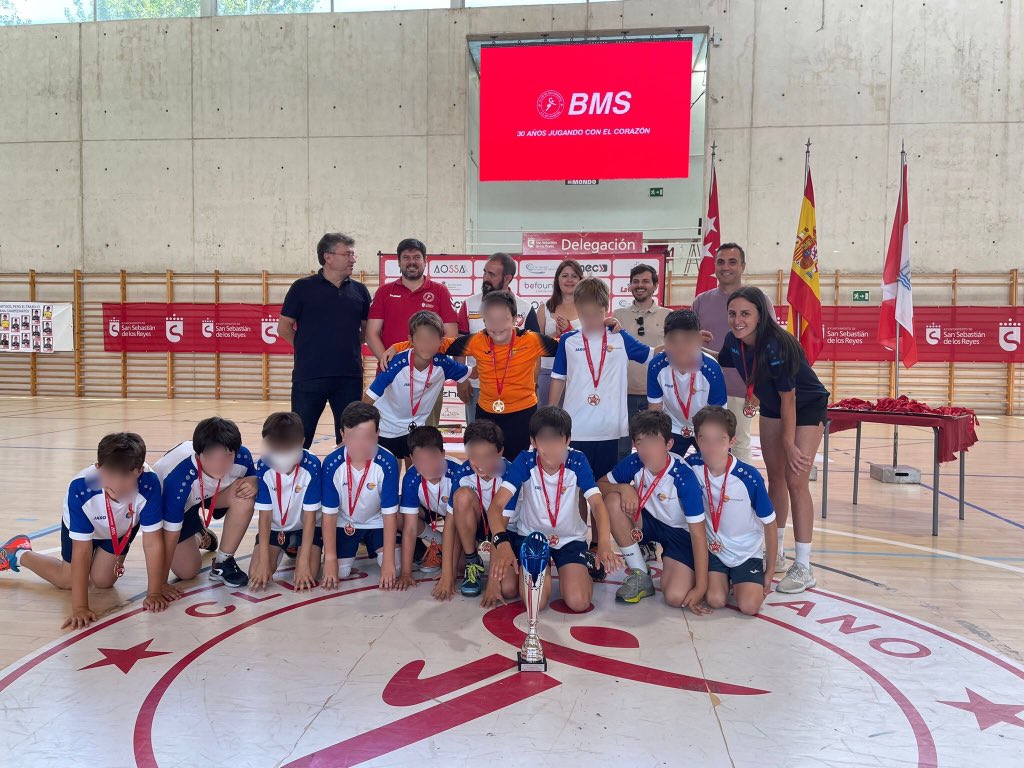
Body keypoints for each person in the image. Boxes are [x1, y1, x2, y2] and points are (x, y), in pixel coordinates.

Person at [716, 286, 829, 593]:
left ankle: (804, 566)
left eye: (745, 313)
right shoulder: (733, 340)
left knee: (795, 479)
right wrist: (694, 345)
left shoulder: (777, 344)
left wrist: (789, 444)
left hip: (805, 405)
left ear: (760, 315)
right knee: (775, 478)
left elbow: (789, 398)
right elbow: (724, 360)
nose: (738, 320)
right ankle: (776, 552)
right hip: (771, 405)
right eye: (732, 314)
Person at [0, 433, 176, 629]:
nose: (117, 483)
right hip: (85, 531)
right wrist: (80, 607)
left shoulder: (150, 483)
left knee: (103, 581)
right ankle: (18, 552)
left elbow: (152, 543)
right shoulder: (80, 488)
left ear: (139, 471)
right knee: (68, 581)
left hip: (119, 530)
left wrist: (154, 593)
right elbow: (82, 551)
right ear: (98, 468)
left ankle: (97, 561)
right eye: (110, 475)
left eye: (126, 476)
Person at [480, 406, 623, 612]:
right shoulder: (525, 461)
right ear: (533, 441)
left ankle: (582, 568)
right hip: (533, 538)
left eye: (557, 439)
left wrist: (604, 544)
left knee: (579, 602)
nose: (551, 447)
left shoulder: (578, 460)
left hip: (569, 539)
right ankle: (534, 568)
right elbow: (496, 506)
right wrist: (501, 542)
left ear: (568, 440)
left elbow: (598, 504)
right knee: (535, 603)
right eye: (544, 439)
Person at [598, 411, 709, 610]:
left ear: (669, 444)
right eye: (641, 443)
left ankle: (685, 567)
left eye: (654, 442)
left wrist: (701, 588)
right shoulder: (635, 462)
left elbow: (699, 535)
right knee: (613, 501)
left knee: (675, 597)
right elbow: (600, 485)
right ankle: (640, 574)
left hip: (680, 534)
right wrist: (623, 488)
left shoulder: (684, 478)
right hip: (649, 521)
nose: (647, 450)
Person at [549, 278, 652, 483]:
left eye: (596, 314)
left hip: (609, 428)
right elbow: (558, 378)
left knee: (605, 486)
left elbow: (652, 355)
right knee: (576, 485)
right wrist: (549, 416)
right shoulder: (568, 341)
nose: (591, 321)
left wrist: (688, 340)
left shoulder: (620, 337)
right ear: (577, 310)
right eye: (584, 315)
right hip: (576, 426)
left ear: (606, 309)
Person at [279, 232, 372, 449]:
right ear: (328, 257)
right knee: (299, 438)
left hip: (349, 376)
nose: (353, 259)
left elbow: (366, 331)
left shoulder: (360, 290)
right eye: (347, 254)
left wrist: (345, 347)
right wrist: (308, 349)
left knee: (350, 439)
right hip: (309, 377)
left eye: (353, 254)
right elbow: (284, 328)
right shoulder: (302, 288)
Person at [443, 291, 560, 460]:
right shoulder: (476, 340)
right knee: (485, 462)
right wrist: (463, 373)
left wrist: (596, 330)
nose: (497, 326)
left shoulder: (531, 340)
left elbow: (568, 346)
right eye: (491, 320)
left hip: (522, 414)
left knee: (515, 464)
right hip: (486, 413)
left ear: (514, 319)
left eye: (503, 319)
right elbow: (436, 345)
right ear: (484, 321)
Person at [686, 405, 777, 615]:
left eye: (719, 440)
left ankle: (740, 579)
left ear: (732, 441)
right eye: (705, 439)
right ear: (697, 440)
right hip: (714, 550)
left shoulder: (749, 477)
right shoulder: (691, 466)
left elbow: (770, 524)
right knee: (715, 600)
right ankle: (726, 580)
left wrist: (770, 571)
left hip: (746, 552)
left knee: (750, 607)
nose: (711, 447)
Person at [154, 418, 258, 588]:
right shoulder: (178, 479)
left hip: (212, 493)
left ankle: (223, 563)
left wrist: (255, 480)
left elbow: (258, 482)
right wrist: (160, 584)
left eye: (227, 456)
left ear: (236, 452)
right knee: (187, 571)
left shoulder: (242, 457)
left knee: (246, 494)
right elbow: (170, 534)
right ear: (197, 454)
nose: (219, 464)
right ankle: (199, 534)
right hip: (178, 505)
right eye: (211, 457)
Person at [691, 243, 771, 463]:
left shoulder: (759, 300)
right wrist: (693, 339)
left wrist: (758, 388)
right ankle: (709, 486)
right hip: (704, 389)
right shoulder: (700, 302)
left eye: (732, 262)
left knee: (739, 444)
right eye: (721, 262)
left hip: (743, 389)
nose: (726, 267)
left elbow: (768, 345)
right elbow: (690, 343)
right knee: (707, 445)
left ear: (743, 266)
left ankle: (740, 486)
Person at [363, 311, 470, 462]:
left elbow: (472, 373)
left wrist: (496, 354)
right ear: (411, 340)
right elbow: (367, 400)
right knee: (390, 469)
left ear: (441, 341)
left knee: (416, 470)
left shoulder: (443, 363)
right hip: (386, 428)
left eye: (431, 338)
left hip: (415, 429)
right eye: (421, 339)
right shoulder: (395, 364)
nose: (426, 344)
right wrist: (357, 430)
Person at [433, 419, 517, 600]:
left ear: (500, 451)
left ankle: (489, 568)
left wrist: (493, 582)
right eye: (474, 456)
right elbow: (450, 523)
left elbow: (500, 528)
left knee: (508, 589)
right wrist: (447, 574)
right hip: (477, 527)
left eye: (487, 456)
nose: (480, 463)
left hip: (504, 533)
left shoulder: (511, 474)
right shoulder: (463, 472)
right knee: (462, 496)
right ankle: (472, 562)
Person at [320, 402, 401, 589]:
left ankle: (373, 543)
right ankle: (353, 545)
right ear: (342, 435)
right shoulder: (332, 463)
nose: (360, 444)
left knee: (395, 567)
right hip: (344, 522)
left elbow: (390, 515)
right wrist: (330, 558)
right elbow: (329, 515)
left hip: (376, 521)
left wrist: (388, 560)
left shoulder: (387, 462)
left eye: (367, 437)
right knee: (340, 572)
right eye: (353, 437)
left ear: (378, 434)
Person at [456, 253, 539, 423]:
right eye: (485, 272)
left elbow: (536, 354)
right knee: (479, 437)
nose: (485, 278)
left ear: (507, 278)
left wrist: (533, 384)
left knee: (514, 438)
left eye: (492, 274)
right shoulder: (469, 304)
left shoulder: (525, 308)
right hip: (477, 388)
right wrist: (461, 379)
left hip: (516, 391)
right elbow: (460, 347)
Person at [248, 412, 322, 593]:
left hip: (305, 529)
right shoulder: (264, 465)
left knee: (308, 575)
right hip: (275, 529)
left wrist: (303, 562)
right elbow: (265, 516)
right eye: (275, 449)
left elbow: (310, 518)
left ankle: (299, 551)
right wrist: (264, 560)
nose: (281, 455)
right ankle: (283, 548)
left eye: (287, 449)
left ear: (301, 442)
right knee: (255, 574)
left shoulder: (312, 465)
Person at [366, 238, 459, 366]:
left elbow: (451, 334)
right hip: (392, 371)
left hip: (431, 370)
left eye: (417, 257)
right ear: (399, 262)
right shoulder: (384, 291)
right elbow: (371, 334)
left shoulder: (440, 291)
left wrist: (428, 360)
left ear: (425, 261)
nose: (412, 262)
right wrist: (390, 364)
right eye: (406, 258)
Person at [647, 309, 727, 456]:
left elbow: (718, 416)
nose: (681, 348)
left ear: (698, 340)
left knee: (716, 463)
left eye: (688, 340)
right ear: (664, 340)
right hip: (673, 426)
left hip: (706, 426)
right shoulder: (656, 366)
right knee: (662, 465)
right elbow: (654, 411)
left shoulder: (711, 369)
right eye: (673, 340)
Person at [612, 264, 672, 439]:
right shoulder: (618, 315)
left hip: (658, 394)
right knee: (622, 447)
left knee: (655, 443)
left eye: (645, 281)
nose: (640, 285)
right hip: (623, 394)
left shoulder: (668, 315)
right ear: (630, 285)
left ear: (655, 285)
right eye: (635, 281)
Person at [399, 426, 462, 579]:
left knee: (461, 566)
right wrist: (406, 573)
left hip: (458, 518)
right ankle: (437, 540)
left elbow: (457, 522)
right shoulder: (411, 477)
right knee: (397, 514)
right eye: (420, 460)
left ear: (443, 454)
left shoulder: (458, 473)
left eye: (432, 458)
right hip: (430, 509)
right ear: (412, 458)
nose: (427, 466)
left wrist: (448, 573)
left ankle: (449, 549)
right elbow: (410, 527)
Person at [535, 259, 583, 405]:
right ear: (557, 280)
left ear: (580, 280)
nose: (569, 280)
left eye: (574, 276)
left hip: (578, 372)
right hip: (548, 371)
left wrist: (570, 331)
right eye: (565, 276)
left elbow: (593, 341)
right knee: (546, 416)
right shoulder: (544, 308)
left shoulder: (587, 307)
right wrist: (555, 334)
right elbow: (535, 344)